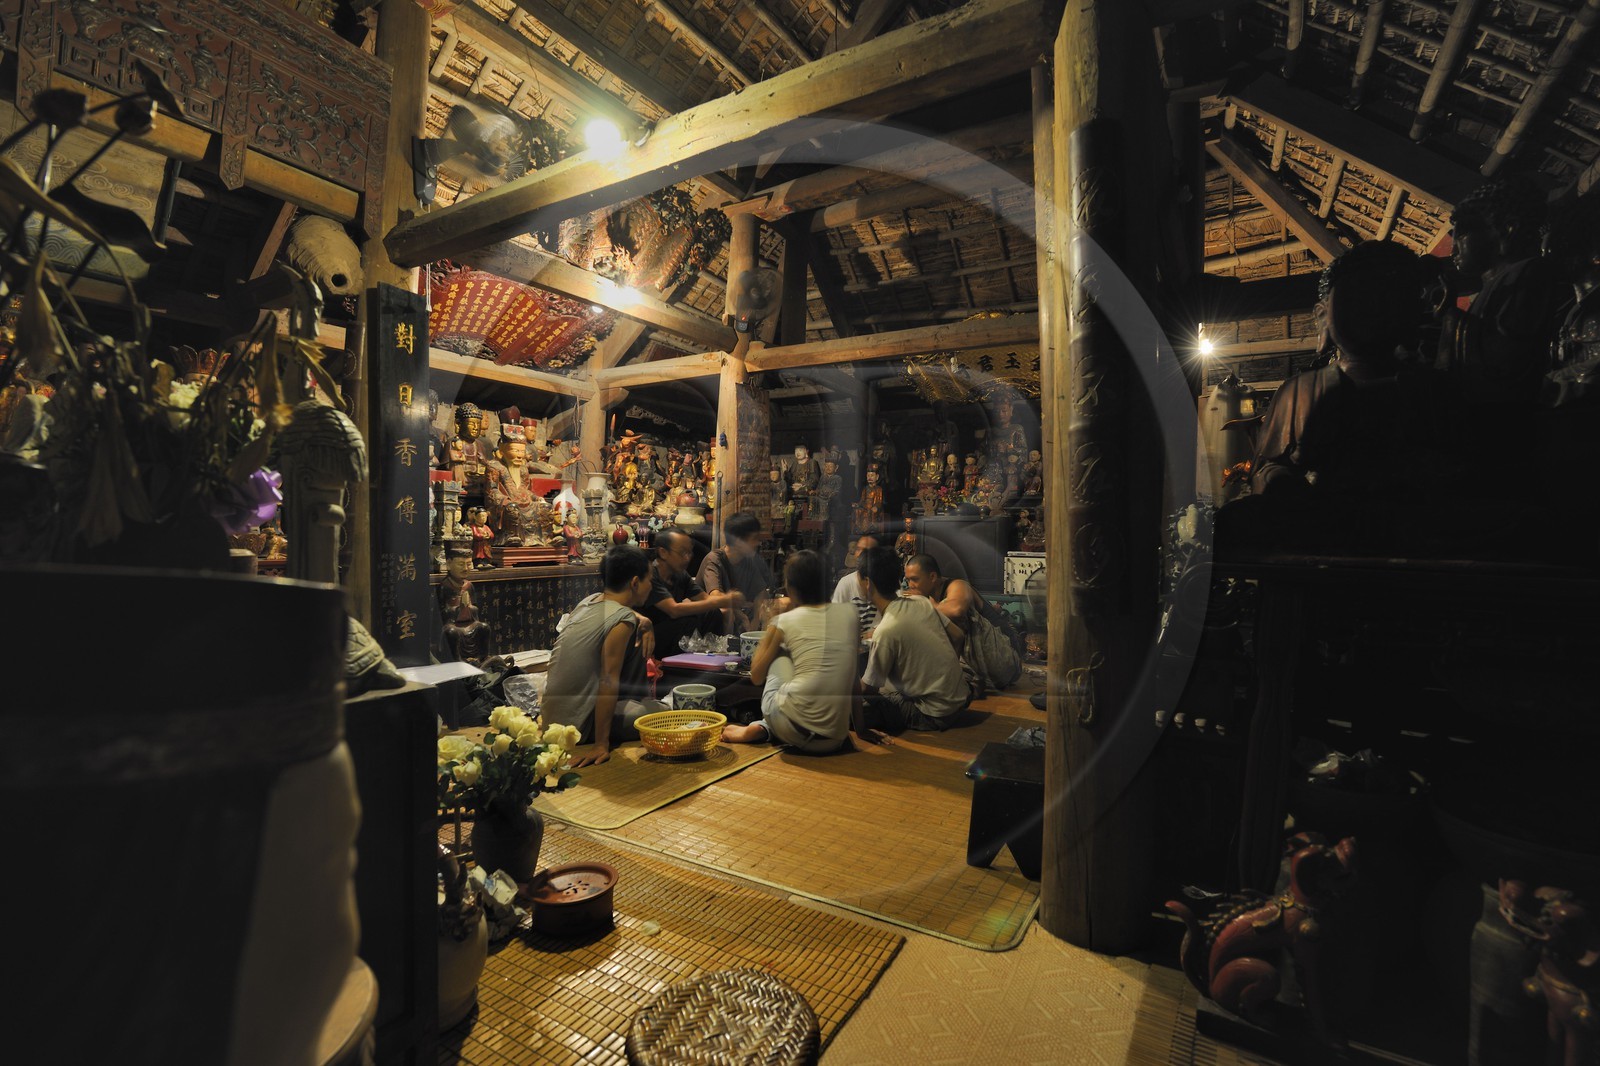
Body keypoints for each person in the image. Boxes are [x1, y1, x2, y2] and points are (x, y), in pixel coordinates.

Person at [722, 550, 860, 753]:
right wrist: (862, 730)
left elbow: (757, 676)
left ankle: (765, 726)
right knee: (814, 660)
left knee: (781, 654)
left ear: (791, 587)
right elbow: (852, 675)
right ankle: (764, 727)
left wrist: (772, 622)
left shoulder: (785, 621)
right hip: (835, 738)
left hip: (792, 730)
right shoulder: (850, 613)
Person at [541, 545, 657, 767]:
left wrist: (645, 620)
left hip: (552, 723)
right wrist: (601, 745)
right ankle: (619, 719)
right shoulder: (622, 620)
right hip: (580, 728)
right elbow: (608, 679)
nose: (651, 586)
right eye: (649, 580)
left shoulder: (589, 601)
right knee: (665, 713)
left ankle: (632, 705)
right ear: (634, 582)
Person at [858, 546, 970, 732]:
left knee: (852, 710)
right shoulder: (921, 602)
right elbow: (958, 635)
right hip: (959, 700)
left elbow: (868, 689)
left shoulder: (885, 631)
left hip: (933, 715)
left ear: (867, 582)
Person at [903, 551, 1022, 695]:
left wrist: (922, 605)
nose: (911, 585)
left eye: (914, 579)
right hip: (982, 669)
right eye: (908, 580)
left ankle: (962, 679)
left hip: (1007, 660)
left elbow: (956, 610)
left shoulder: (957, 585)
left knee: (954, 614)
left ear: (933, 577)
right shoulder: (926, 596)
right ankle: (960, 681)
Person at [641, 528, 743, 655]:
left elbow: (706, 599)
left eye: (690, 553)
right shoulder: (651, 574)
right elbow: (673, 610)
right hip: (648, 636)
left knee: (712, 613)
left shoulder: (680, 575)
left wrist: (730, 602)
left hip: (672, 631)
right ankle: (677, 667)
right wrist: (723, 600)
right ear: (663, 552)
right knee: (687, 622)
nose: (687, 558)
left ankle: (711, 654)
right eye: (683, 553)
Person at [696, 511, 776, 634]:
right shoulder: (714, 559)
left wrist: (754, 622)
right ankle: (727, 650)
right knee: (727, 611)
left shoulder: (748, 559)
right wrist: (740, 614)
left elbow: (761, 594)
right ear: (738, 541)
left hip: (741, 612)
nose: (758, 543)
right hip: (710, 618)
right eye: (754, 539)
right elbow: (716, 597)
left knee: (779, 605)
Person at [831, 533, 882, 637]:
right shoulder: (846, 582)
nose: (860, 555)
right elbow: (835, 621)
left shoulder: (886, 580)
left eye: (866, 551)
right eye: (858, 549)